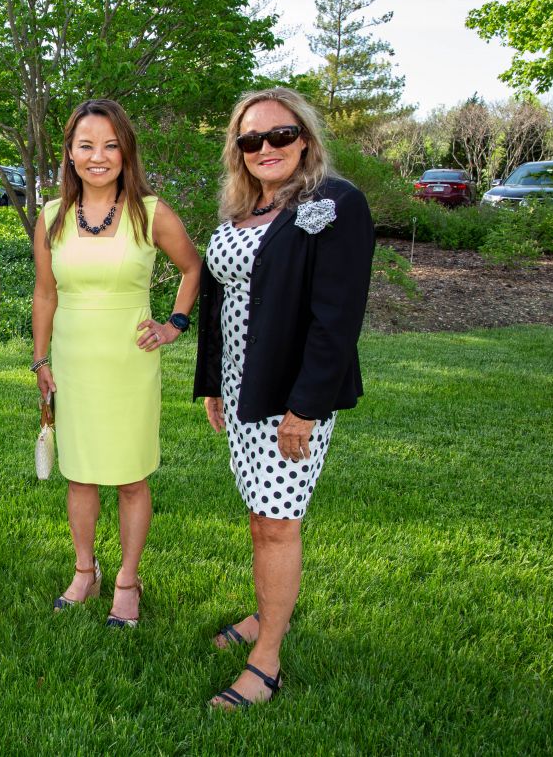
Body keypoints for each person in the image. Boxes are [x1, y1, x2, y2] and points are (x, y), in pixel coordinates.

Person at [194, 87, 374, 708]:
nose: (265, 147)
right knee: (261, 517)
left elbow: (336, 318)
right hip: (243, 390)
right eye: (251, 139)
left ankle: (266, 659)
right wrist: (214, 383)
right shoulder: (243, 208)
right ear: (238, 150)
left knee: (277, 524)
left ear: (305, 138)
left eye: (280, 134)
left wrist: (307, 407)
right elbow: (220, 301)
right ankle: (268, 613)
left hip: (290, 397)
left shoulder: (334, 203)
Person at [32, 99, 202, 629]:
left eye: (110, 145)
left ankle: (128, 580)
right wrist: (40, 359)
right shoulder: (52, 216)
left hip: (130, 364)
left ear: (126, 152)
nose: (98, 156)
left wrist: (174, 324)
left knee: (130, 478)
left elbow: (192, 267)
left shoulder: (150, 212)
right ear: (70, 153)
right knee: (80, 476)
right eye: (86, 145)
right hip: (73, 362)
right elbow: (45, 293)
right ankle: (85, 571)